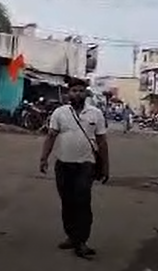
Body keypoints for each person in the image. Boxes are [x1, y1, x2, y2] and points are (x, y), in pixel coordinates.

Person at [39, 77, 109, 259]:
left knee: (83, 201)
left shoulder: (96, 114)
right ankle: (72, 236)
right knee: (67, 202)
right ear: (68, 93)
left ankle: (82, 241)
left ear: (86, 93)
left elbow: (102, 141)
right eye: (74, 91)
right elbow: (51, 136)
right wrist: (44, 158)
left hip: (86, 165)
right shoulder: (59, 113)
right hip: (63, 164)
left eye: (81, 91)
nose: (77, 94)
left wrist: (106, 166)